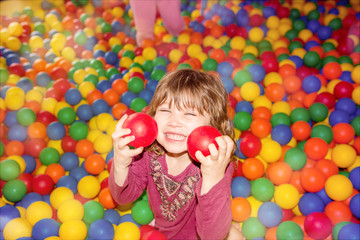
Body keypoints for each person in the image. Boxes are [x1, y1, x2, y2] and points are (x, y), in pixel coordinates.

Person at [109, 69, 244, 239]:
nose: (174, 122)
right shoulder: (149, 151)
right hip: (161, 230)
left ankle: (231, 229)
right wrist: (121, 162)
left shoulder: (215, 162)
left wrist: (213, 177)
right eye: (165, 110)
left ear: (213, 125)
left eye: (189, 114)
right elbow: (123, 197)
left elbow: (212, 236)